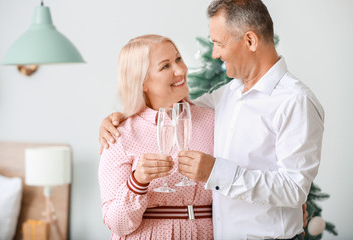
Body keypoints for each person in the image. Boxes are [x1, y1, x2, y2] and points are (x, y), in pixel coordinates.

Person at [99, 1, 318, 239]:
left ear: (250, 41)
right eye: (165, 65)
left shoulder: (294, 100)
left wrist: (215, 172)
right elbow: (171, 110)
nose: (214, 54)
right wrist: (117, 120)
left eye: (219, 43)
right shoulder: (225, 98)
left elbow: (295, 188)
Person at [98, 34, 215, 239]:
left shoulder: (212, 120)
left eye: (178, 59)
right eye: (165, 66)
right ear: (142, 82)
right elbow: (116, 224)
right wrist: (138, 181)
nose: (181, 70)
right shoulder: (120, 135)